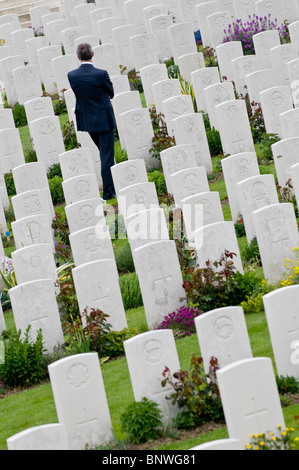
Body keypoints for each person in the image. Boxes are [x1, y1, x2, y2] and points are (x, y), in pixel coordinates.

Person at [67, 43, 116, 201]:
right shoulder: (101, 74)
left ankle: (113, 182)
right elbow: (111, 92)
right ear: (92, 54)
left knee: (104, 153)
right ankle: (109, 192)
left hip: (88, 120)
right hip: (104, 118)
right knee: (106, 155)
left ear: (78, 57)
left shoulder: (72, 75)